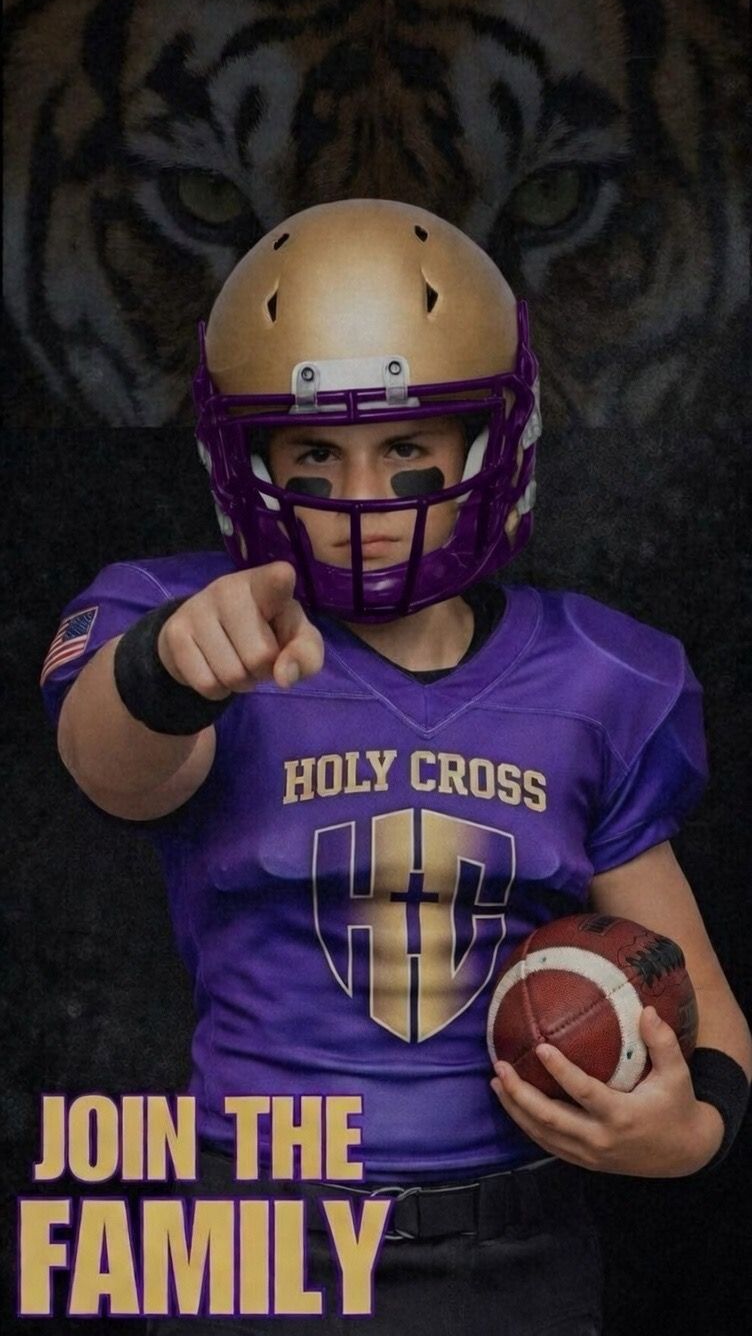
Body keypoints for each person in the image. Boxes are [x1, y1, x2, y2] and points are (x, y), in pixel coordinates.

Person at [41, 199, 751, 1335]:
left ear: (488, 444)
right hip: (249, 1229)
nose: (364, 502)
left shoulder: (598, 675)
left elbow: (694, 984)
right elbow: (112, 768)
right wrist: (171, 665)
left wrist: (691, 1127)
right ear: (247, 459)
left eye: (407, 452)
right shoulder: (189, 622)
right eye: (315, 456)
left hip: (509, 1246)